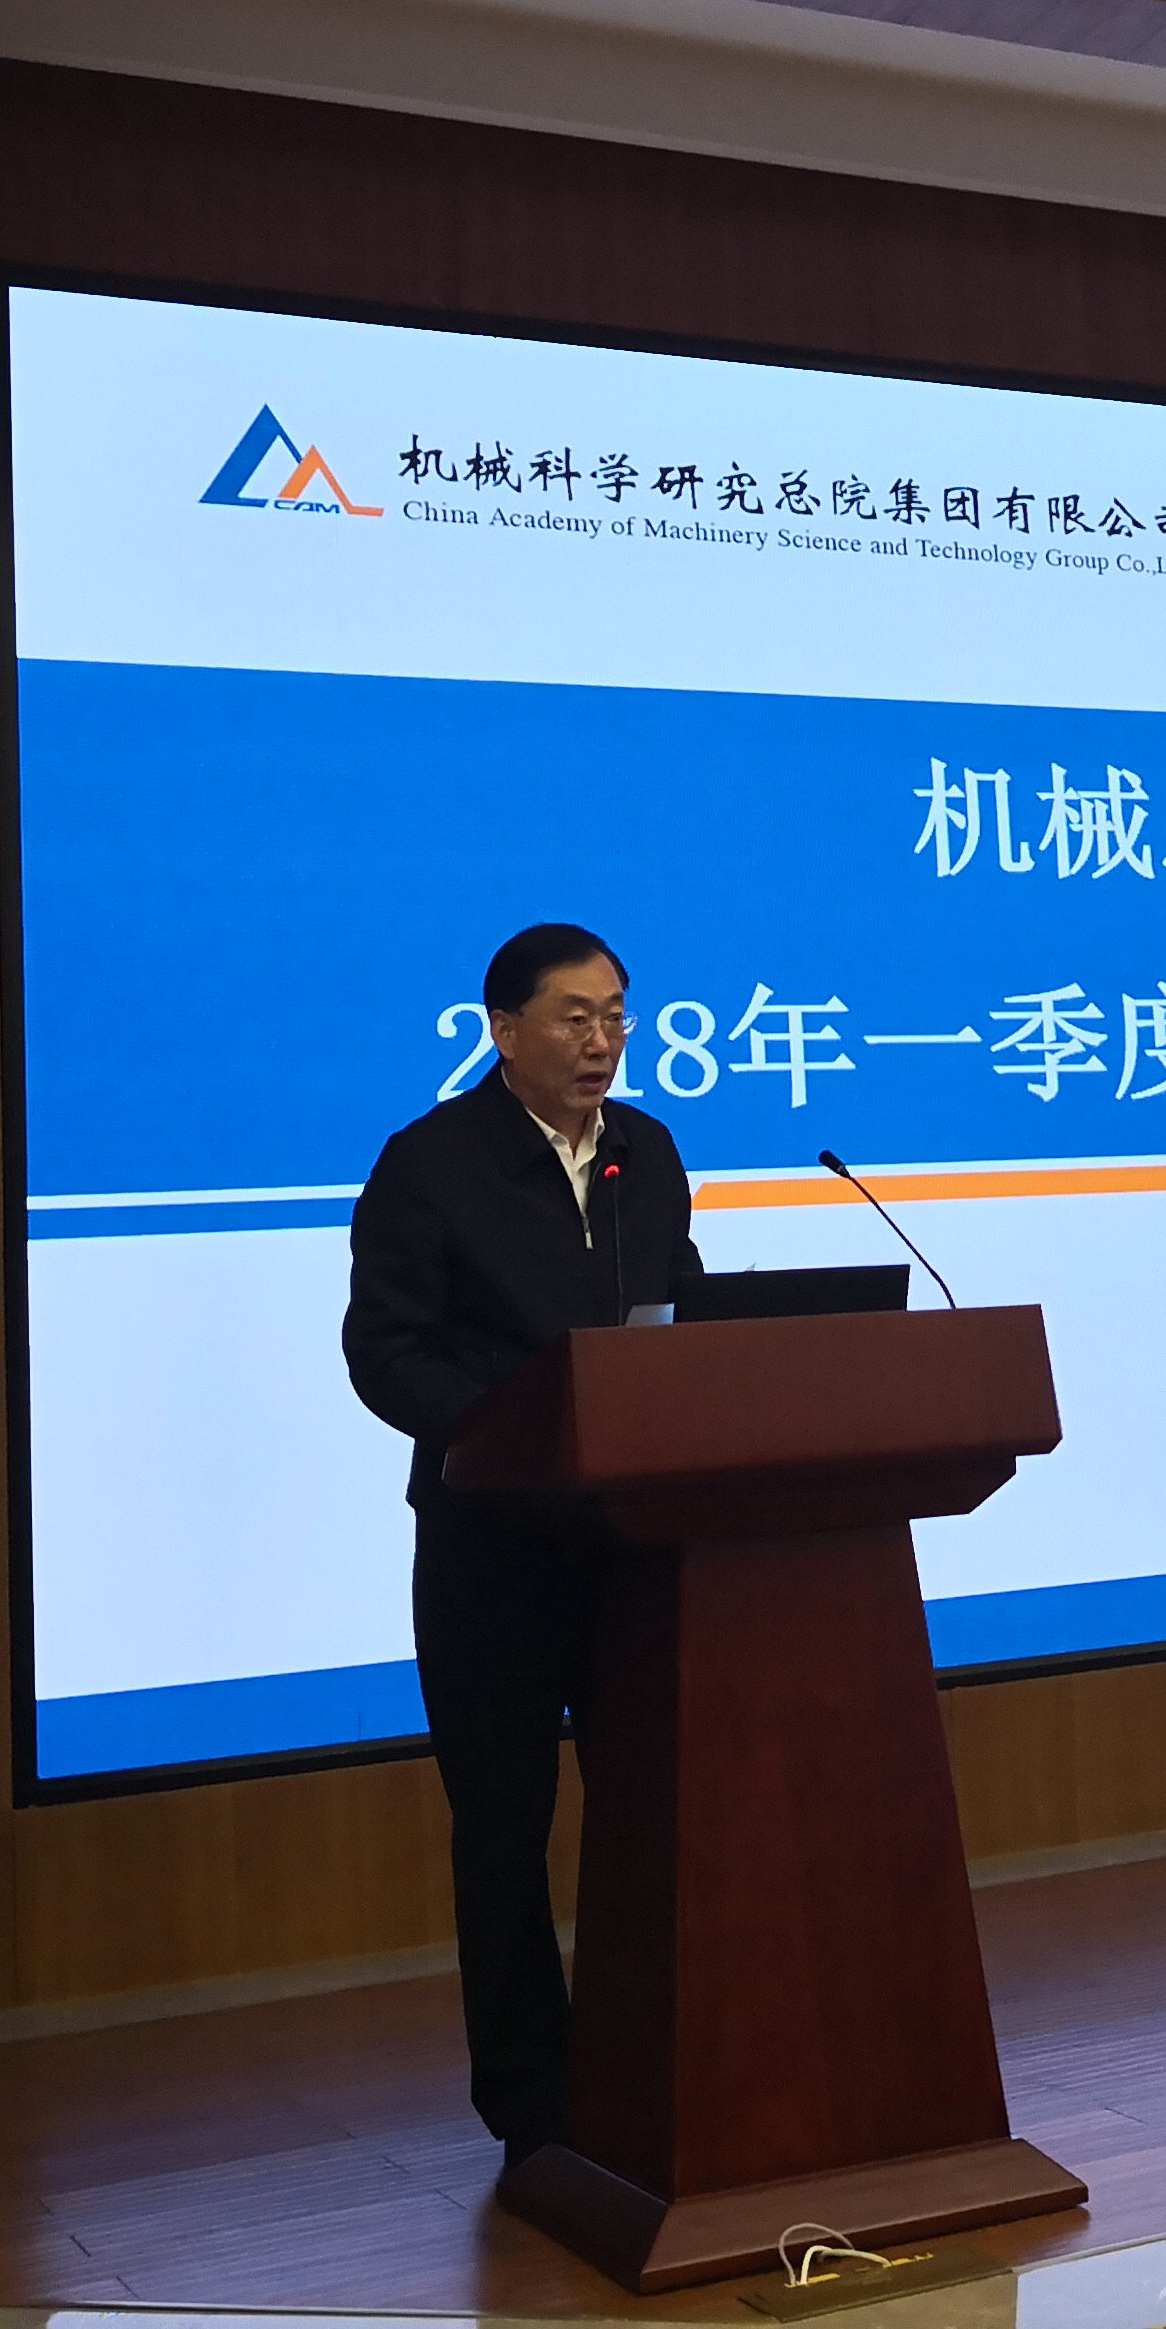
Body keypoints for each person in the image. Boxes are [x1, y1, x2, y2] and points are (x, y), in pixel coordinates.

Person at [341, 921, 707, 2172]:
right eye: (573, 1016)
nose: (602, 1040)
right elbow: (384, 1354)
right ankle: (531, 2104)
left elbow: (676, 1310)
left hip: (631, 1542)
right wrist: (515, 1429)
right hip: (490, 1543)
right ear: (501, 1029)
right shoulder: (431, 1163)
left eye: (615, 1015)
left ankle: (650, 2058)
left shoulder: (646, 1153)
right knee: (503, 1826)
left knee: (651, 1808)